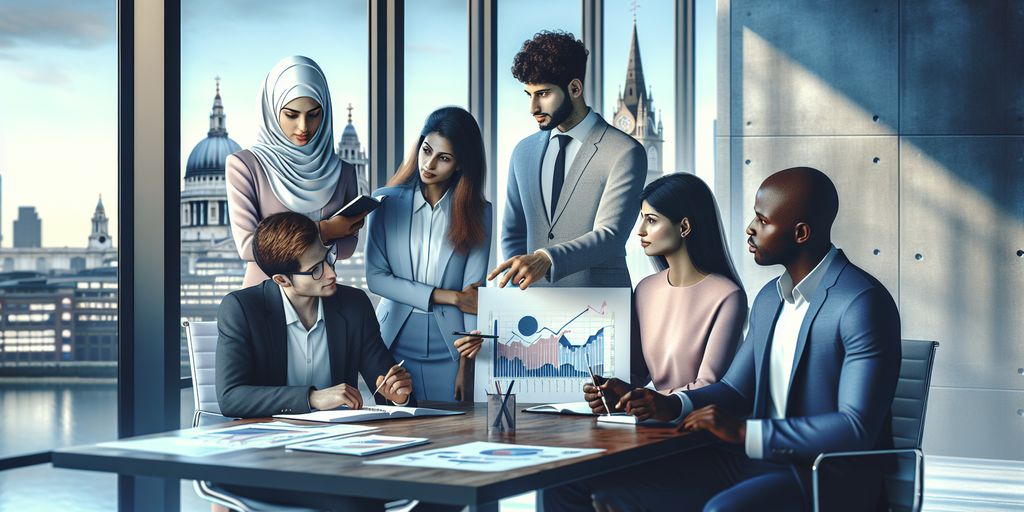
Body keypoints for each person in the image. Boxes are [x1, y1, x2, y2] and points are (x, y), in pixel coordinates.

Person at [545, 167, 902, 512]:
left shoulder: (860, 303)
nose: (750, 229)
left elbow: (855, 428)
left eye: (762, 221)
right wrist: (670, 404)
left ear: (801, 233)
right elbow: (735, 390)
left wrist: (745, 432)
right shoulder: (770, 298)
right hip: (749, 462)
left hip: (821, 475)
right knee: (571, 482)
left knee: (722, 509)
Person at [215, 211, 412, 511]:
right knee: (355, 502)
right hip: (266, 457)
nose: (332, 273)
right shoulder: (242, 308)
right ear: (282, 279)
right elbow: (232, 397)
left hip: (339, 451)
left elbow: (382, 375)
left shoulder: (353, 304)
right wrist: (313, 398)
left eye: (328, 258)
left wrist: (397, 394)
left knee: (441, 492)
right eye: (316, 269)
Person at [488, 30, 646, 289]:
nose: (533, 108)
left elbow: (610, 236)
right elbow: (513, 232)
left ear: (574, 88)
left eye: (543, 94)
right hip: (534, 306)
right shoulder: (522, 153)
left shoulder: (625, 151)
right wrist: (522, 284)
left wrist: (546, 258)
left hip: (602, 305)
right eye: (529, 95)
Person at [583, 173, 747, 417]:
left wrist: (655, 401)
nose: (640, 231)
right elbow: (636, 374)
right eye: (642, 219)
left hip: (703, 430)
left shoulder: (728, 295)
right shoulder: (646, 289)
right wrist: (612, 392)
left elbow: (710, 385)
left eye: (651, 220)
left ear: (684, 227)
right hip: (654, 424)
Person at [365, 106, 492, 402]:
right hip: (393, 340)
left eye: (443, 158)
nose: (429, 164)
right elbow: (376, 279)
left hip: (450, 343)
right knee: (393, 432)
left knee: (451, 434)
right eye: (426, 150)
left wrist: (467, 366)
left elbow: (472, 297)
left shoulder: (479, 213)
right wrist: (449, 296)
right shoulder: (384, 202)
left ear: (460, 165)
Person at [226, 55, 366, 288]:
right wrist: (326, 230)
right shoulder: (245, 166)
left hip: (322, 295)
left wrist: (279, 241)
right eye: (291, 115)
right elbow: (248, 246)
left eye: (313, 115)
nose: (303, 127)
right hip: (264, 297)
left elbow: (348, 247)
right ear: (271, 111)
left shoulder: (343, 172)